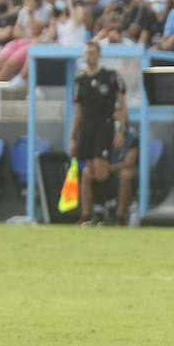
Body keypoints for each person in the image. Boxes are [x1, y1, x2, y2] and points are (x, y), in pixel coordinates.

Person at [70, 39, 124, 225]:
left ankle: (108, 207)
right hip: (87, 129)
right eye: (86, 52)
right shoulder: (80, 80)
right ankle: (102, 209)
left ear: (99, 55)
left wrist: (120, 131)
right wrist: (72, 136)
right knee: (91, 172)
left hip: (105, 126)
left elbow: (122, 106)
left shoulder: (110, 77)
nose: (88, 56)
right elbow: (78, 110)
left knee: (102, 170)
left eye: (92, 52)